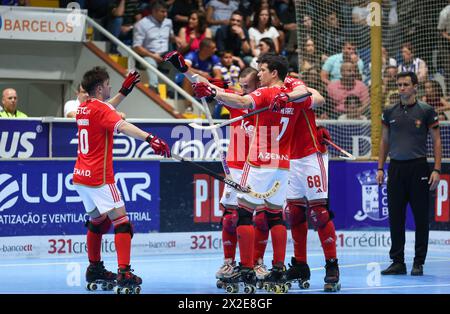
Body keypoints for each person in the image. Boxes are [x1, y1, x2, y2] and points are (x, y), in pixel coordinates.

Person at [192, 54, 323, 292]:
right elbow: (313, 96)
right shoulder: (293, 96)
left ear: (274, 73)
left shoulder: (267, 93)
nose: (259, 74)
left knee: (243, 213)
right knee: (274, 216)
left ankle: (246, 268)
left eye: (262, 70)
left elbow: (241, 102)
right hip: (282, 165)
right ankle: (278, 268)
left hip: (260, 162)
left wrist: (212, 94)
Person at [73, 66, 170, 293]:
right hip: (100, 178)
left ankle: (94, 267)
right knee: (122, 222)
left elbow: (105, 109)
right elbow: (123, 125)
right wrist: (150, 138)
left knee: (98, 222)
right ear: (99, 88)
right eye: (107, 85)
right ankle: (124, 272)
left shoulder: (83, 109)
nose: (109, 88)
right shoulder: (101, 110)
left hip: (80, 177)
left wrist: (123, 92)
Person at [376, 71, 441, 276]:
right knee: (396, 217)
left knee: (421, 218)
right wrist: (380, 168)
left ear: (415, 87)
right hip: (395, 169)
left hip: (419, 168)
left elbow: (437, 141)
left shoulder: (426, 110)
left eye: (405, 84)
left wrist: (437, 169)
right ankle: (397, 262)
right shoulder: (389, 111)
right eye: (399, 85)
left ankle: (418, 262)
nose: (401, 88)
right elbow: (384, 141)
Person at [133, 1, 177, 92]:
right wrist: (153, 56)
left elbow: (170, 37)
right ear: (154, 11)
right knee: (151, 62)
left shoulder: (168, 22)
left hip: (164, 55)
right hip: (147, 55)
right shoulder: (142, 24)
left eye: (166, 11)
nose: (165, 14)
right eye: (162, 11)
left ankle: (171, 90)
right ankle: (154, 87)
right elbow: (136, 47)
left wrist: (177, 40)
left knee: (177, 61)